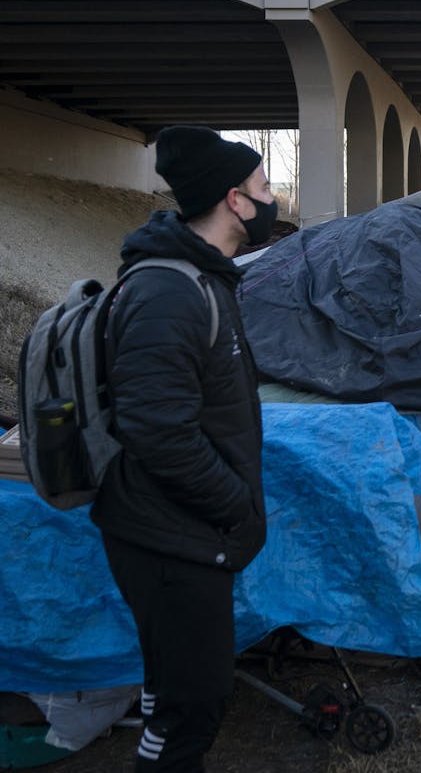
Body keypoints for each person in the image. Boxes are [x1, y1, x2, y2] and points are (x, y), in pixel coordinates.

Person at [91, 125, 277, 771]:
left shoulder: (203, 280)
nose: (272, 198)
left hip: (184, 534)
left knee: (173, 701)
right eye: (263, 187)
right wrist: (234, 506)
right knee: (191, 709)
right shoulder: (168, 292)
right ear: (233, 199)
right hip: (172, 541)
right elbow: (159, 434)